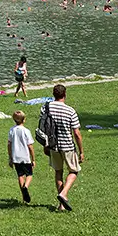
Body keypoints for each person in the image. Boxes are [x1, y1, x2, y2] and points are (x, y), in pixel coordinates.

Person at [37, 83, 84, 211]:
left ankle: (61, 205)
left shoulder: (45, 108)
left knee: (58, 172)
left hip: (53, 145)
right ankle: (63, 194)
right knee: (74, 171)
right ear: (65, 94)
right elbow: (77, 133)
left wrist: (45, 145)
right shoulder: (70, 111)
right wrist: (81, 151)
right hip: (67, 145)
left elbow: (43, 127)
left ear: (53, 94)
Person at [7, 110, 35, 203]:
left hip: (16, 157)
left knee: (20, 175)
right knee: (29, 174)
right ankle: (25, 186)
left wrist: (10, 157)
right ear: (24, 120)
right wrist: (33, 159)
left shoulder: (12, 130)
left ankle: (24, 197)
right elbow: (30, 146)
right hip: (25, 157)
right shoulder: (26, 131)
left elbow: (9, 144)